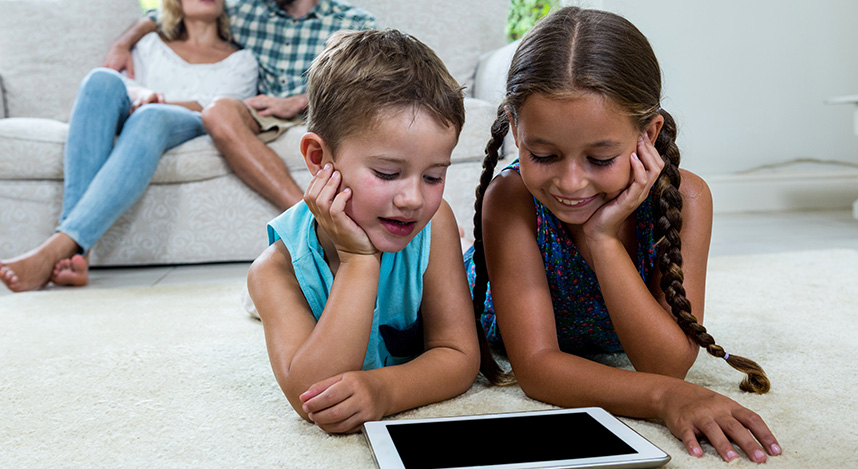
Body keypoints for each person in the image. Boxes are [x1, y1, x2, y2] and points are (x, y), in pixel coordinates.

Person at [466, 7, 782, 463]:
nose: (571, 183)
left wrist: (602, 240)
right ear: (517, 130)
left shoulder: (686, 199)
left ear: (648, 134)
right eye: (543, 154)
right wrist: (664, 398)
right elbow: (536, 368)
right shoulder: (511, 199)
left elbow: (668, 363)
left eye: (599, 159)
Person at [246, 29, 492, 434]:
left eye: (433, 176)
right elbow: (311, 394)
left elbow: (459, 354)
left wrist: (384, 390)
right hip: (305, 262)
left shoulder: (435, 222)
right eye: (387, 173)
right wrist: (358, 261)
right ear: (318, 158)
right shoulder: (275, 271)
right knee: (258, 302)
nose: (413, 198)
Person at [0, 0, 258, 292]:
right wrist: (142, 93)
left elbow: (226, 106)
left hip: (191, 122)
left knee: (151, 115)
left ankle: (59, 248)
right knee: (101, 79)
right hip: (140, 114)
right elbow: (125, 85)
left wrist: (159, 100)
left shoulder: (241, 60)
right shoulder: (149, 45)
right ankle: (77, 256)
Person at [104, 0, 376, 211]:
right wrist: (121, 44)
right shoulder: (246, 10)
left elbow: (368, 81)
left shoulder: (352, 21)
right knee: (218, 111)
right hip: (261, 110)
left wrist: (297, 102)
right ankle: (308, 219)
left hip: (322, 108)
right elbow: (164, 16)